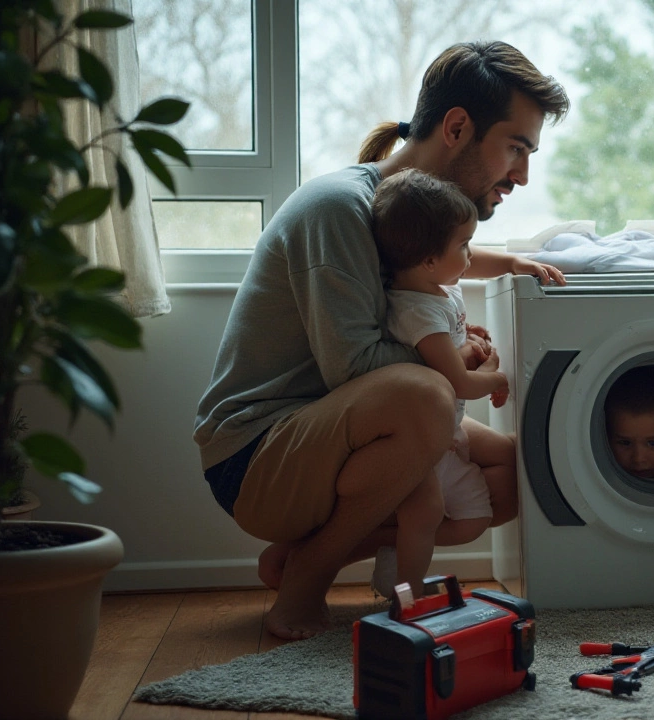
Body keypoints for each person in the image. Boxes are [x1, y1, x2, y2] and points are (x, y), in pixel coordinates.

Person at [194, 41, 569, 640]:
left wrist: (514, 265)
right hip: (254, 456)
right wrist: (458, 357)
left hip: (332, 434)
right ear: (456, 127)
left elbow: (434, 258)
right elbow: (357, 367)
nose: (522, 174)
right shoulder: (339, 208)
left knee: (516, 473)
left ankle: (302, 555)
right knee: (426, 395)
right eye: (517, 148)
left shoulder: (408, 221)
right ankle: (304, 586)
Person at [368, 168, 552, 597]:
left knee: (475, 514)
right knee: (426, 512)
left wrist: (467, 339)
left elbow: (444, 349)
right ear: (430, 259)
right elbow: (458, 385)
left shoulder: (440, 286)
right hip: (420, 435)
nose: (471, 255)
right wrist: (497, 376)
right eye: (464, 245)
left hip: (445, 427)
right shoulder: (417, 310)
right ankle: (406, 594)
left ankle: (393, 557)